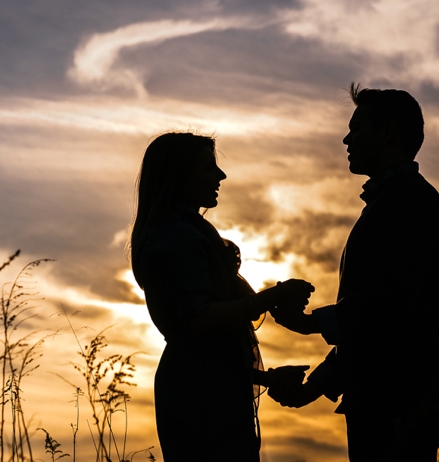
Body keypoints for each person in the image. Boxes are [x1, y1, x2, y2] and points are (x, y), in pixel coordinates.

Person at [269, 85, 439, 461]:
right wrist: (315, 387)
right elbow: (377, 329)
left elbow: (386, 309)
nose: (346, 138)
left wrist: (307, 323)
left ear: (387, 132)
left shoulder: (407, 202)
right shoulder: (395, 202)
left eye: (356, 128)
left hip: (398, 403)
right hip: (390, 401)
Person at [130, 132, 314, 462]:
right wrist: (276, 295)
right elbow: (199, 320)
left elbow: (208, 345)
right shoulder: (178, 237)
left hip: (206, 387)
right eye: (207, 168)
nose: (220, 176)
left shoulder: (187, 233)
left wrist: (265, 378)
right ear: (179, 174)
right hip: (200, 396)